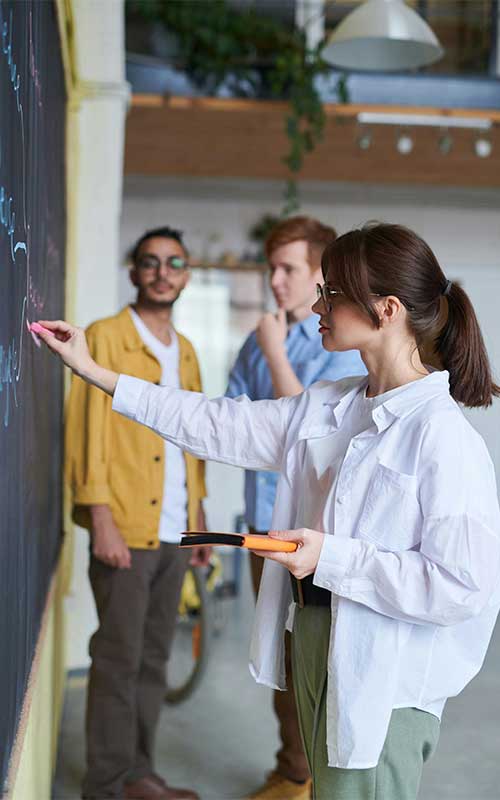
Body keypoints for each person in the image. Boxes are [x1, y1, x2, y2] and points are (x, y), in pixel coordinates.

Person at [39, 222, 500, 800]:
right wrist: (96, 372)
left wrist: (331, 558)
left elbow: (461, 586)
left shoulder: (443, 437)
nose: (317, 305)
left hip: (384, 668)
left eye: (331, 293)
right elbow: (216, 423)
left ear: (386, 310)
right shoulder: (331, 404)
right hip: (314, 634)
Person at [65, 226, 208, 800]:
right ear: (134, 272)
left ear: (186, 275)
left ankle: (137, 776)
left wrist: (198, 517)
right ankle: (103, 785)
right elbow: (86, 431)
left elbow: (195, 437)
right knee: (117, 660)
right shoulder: (104, 336)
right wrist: (100, 517)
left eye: (174, 263)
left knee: (153, 659)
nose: (162, 273)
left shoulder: (187, 350)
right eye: (151, 262)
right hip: (125, 526)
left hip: (175, 530)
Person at [226, 216, 365, 800]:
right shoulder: (259, 337)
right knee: (278, 654)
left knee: (318, 655)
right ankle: (293, 771)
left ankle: (311, 777)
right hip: (263, 523)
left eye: (289, 269)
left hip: (316, 534)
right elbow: (235, 424)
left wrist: (274, 351)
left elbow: (307, 433)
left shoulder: (340, 344)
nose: (276, 280)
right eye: (272, 268)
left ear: (318, 277)